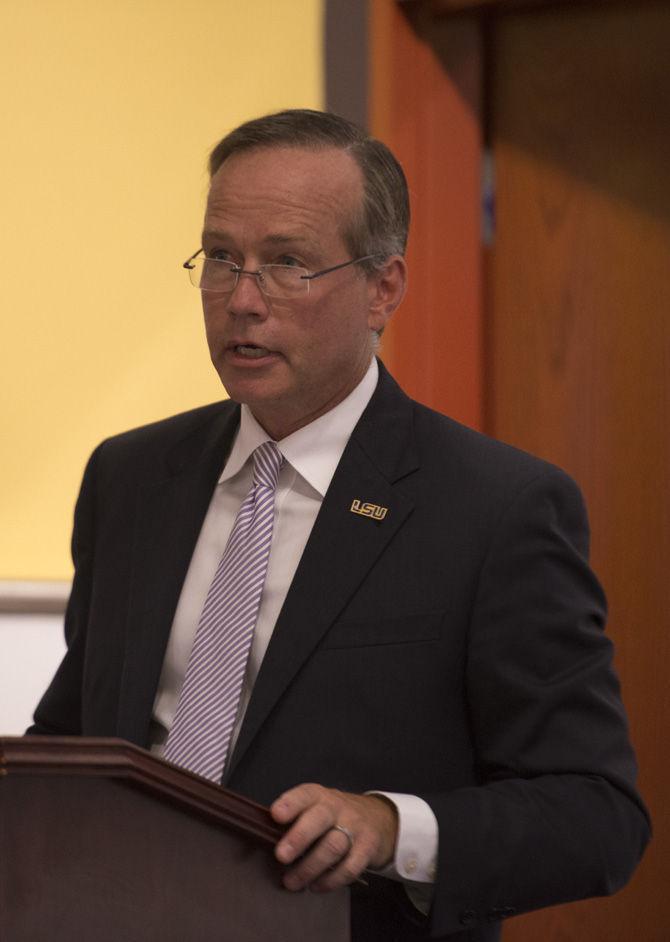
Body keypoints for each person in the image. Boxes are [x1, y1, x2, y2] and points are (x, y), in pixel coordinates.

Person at [29, 109, 649, 941]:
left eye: (287, 264)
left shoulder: (495, 509)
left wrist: (395, 830)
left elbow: (595, 816)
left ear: (383, 289)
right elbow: (74, 743)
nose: (242, 301)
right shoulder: (131, 477)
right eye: (221, 259)